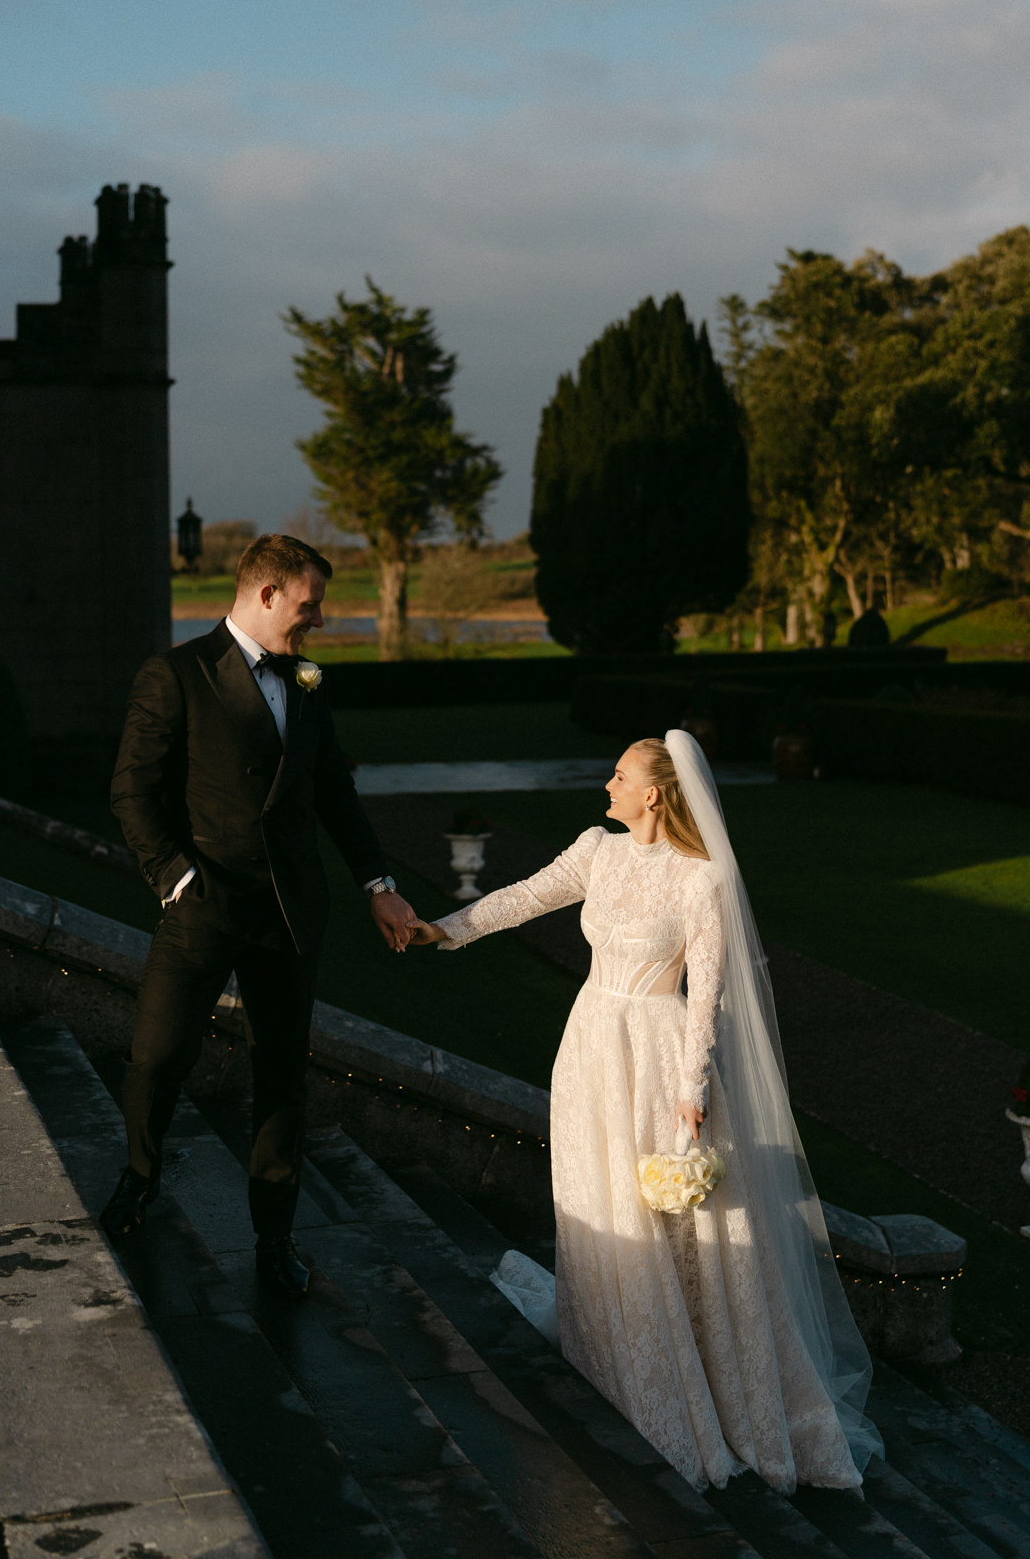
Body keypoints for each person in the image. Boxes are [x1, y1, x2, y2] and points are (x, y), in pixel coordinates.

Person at [412, 729, 879, 1494]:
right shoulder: (596, 850)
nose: (607, 787)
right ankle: (612, 1359)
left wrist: (691, 1089)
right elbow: (527, 896)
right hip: (593, 1042)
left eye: (620, 776)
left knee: (679, 1224)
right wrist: (448, 929)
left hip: (659, 1054)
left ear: (655, 793)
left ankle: (693, 1384)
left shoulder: (702, 878)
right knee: (598, 1199)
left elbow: (710, 991)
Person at [102, 532, 418, 1293]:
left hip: (289, 911)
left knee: (283, 1079)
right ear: (266, 593)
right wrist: (176, 880)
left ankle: (274, 1238)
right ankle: (139, 1178)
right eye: (308, 606)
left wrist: (378, 884)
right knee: (154, 1058)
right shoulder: (175, 673)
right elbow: (131, 792)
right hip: (205, 904)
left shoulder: (309, 680)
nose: (317, 622)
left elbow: (333, 792)